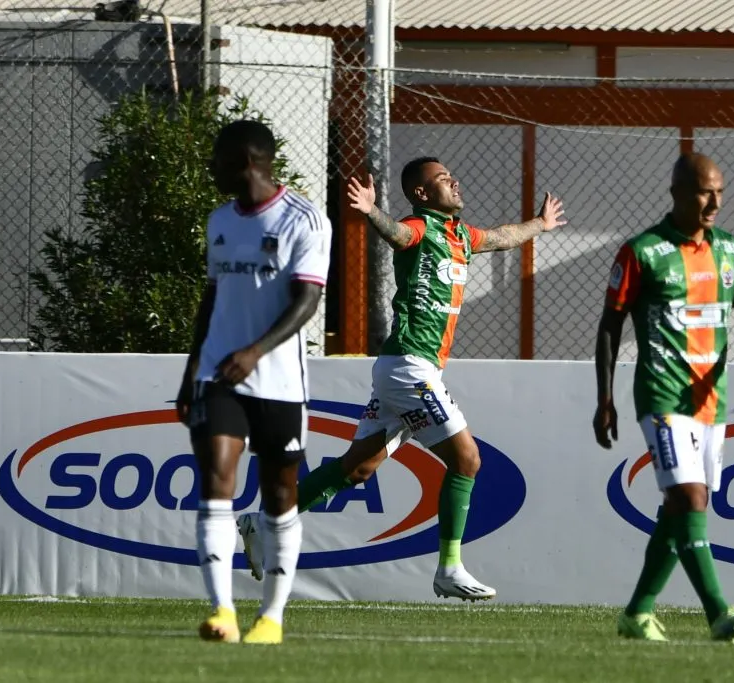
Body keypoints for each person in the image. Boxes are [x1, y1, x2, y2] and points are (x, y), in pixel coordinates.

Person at [237, 156, 565, 601]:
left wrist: (540, 225)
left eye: (453, 175)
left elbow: (503, 238)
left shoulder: (461, 237)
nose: (455, 182)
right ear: (423, 194)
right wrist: (372, 211)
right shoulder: (421, 226)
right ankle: (449, 568)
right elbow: (398, 233)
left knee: (358, 468)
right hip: (410, 366)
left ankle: (265, 520)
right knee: (467, 461)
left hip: (403, 369)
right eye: (443, 179)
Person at [593, 152, 734, 642]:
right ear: (677, 192)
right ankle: (718, 612)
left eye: (720, 190)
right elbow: (611, 325)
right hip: (662, 396)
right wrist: (606, 398)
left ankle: (636, 613)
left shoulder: (729, 251)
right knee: (688, 496)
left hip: (711, 401)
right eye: (705, 191)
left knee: (681, 509)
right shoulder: (643, 251)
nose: (715, 201)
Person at [175, 119, 331, 645]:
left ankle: (271, 619)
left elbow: (307, 301)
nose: (210, 168)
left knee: (279, 493)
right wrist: (191, 369)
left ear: (244, 160)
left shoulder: (304, 218)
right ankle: (222, 612)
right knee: (217, 478)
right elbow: (212, 300)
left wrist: (256, 351)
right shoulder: (219, 221)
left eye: (216, 158)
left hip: (280, 383)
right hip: (220, 376)